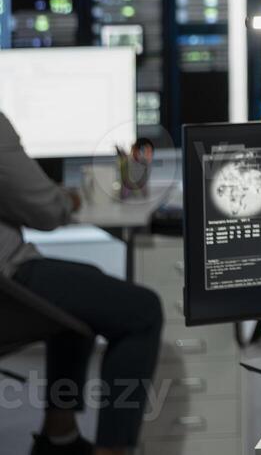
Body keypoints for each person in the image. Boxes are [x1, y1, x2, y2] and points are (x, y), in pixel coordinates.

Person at [0, 112, 163, 455]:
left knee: (85, 284)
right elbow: (43, 210)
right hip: (7, 283)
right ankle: (113, 450)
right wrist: (67, 199)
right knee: (142, 310)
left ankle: (59, 438)